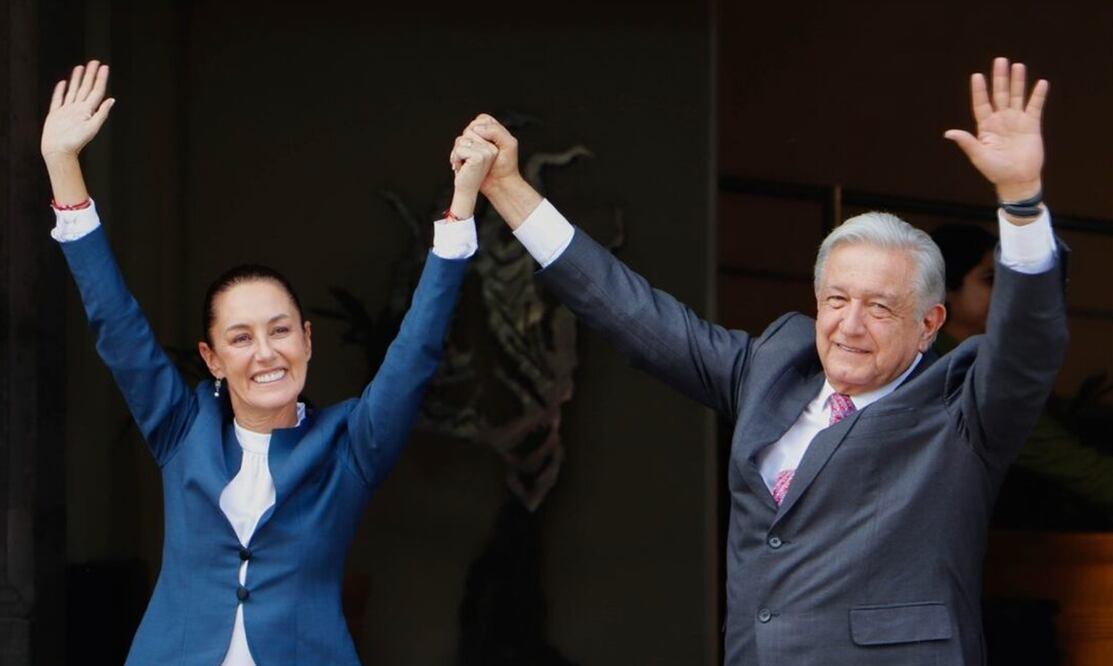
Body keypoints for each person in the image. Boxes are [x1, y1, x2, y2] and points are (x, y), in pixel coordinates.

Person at [459, 57, 1067, 664]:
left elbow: (1028, 348)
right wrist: (509, 192)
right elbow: (633, 315)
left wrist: (1019, 201)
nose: (849, 325)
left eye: (880, 308)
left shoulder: (961, 412)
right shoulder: (774, 369)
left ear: (928, 324)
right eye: (836, 299)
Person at [42, 60, 497, 665]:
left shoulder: (349, 444)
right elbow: (116, 323)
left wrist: (461, 208)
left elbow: (415, 354)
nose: (265, 352)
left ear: (307, 340)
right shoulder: (182, 428)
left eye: (280, 330)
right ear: (211, 358)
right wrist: (62, 165)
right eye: (241, 337)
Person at [932, 224, 1113, 522]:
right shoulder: (952, 372)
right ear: (944, 288)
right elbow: (1068, 463)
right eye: (991, 280)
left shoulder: (969, 360)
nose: (1007, 293)